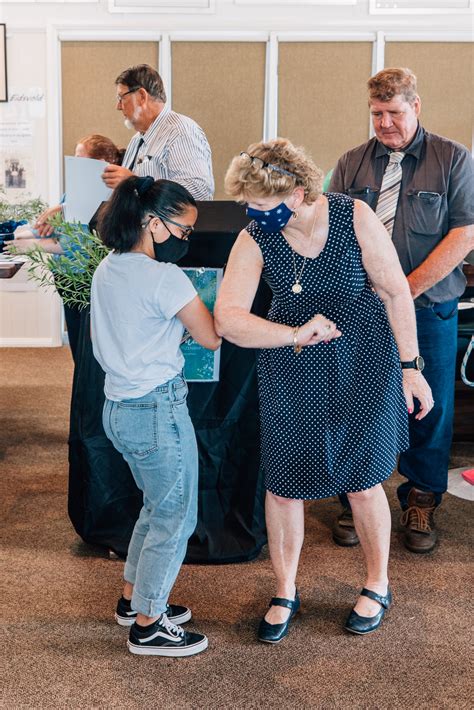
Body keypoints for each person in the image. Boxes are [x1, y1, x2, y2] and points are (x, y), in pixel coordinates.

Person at [214, 138, 433, 642]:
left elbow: (395, 291)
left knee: (363, 479)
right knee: (285, 486)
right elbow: (228, 318)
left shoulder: (352, 216)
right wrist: (291, 335)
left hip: (363, 362)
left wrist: (410, 367)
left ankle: (377, 583)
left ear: (294, 191)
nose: (251, 212)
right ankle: (285, 588)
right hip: (290, 369)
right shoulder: (253, 237)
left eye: (261, 204)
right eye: (248, 204)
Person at [329, 67, 474, 553]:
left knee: (426, 407)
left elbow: (464, 235)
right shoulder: (352, 163)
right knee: (356, 401)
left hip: (428, 305)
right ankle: (356, 495)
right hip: (361, 308)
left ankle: (421, 500)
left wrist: (402, 292)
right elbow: (335, 230)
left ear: (416, 106)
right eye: (376, 114)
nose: (385, 123)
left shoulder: (453, 158)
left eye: (393, 112)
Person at [90, 175, 221, 657]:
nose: (185, 240)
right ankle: (148, 624)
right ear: (151, 222)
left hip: (119, 409)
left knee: (154, 507)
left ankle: (134, 600)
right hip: (156, 410)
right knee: (174, 518)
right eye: (182, 231)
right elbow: (210, 337)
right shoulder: (165, 279)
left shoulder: (109, 267)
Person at [6, 134, 124, 361]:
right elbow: (51, 228)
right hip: (66, 278)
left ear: (99, 164)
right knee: (77, 350)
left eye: (80, 158)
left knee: (86, 352)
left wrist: (31, 245)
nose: (73, 164)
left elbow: (74, 247)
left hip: (84, 281)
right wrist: (24, 231)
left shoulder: (108, 197)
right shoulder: (73, 194)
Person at [102, 64, 214, 201]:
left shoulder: (180, 131)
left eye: (121, 98)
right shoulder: (136, 141)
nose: (118, 106)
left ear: (142, 96)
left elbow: (198, 190)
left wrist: (137, 183)